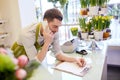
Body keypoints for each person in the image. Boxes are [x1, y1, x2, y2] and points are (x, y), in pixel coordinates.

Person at [11, 8, 86, 67]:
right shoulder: (27, 34)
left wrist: (75, 59)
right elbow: (35, 62)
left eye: (58, 27)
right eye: (55, 26)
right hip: (17, 58)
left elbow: (58, 54)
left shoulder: (54, 31)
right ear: (45, 22)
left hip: (32, 59)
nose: (57, 30)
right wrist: (47, 43)